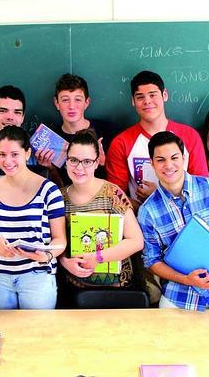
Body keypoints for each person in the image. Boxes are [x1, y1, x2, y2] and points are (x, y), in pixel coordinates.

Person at [137, 131, 209, 377]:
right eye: (160, 160)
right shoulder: (148, 212)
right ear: (152, 164)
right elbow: (152, 261)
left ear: (185, 157)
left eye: (174, 157)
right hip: (178, 295)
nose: (168, 165)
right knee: (172, 365)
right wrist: (186, 279)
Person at [0, 125, 66, 309]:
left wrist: (46, 255)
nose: (8, 161)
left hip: (37, 275)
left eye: (14, 154)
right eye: (2, 154)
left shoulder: (49, 190)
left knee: (36, 333)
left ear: (27, 153)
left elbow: (60, 240)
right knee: (3, 332)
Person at [58, 129, 144, 307]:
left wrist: (97, 257)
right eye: (73, 160)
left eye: (87, 162)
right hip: (74, 291)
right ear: (66, 161)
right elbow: (54, 242)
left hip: (118, 289)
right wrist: (65, 262)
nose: (79, 168)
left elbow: (136, 241)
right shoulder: (58, 198)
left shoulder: (113, 194)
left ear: (97, 163)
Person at [106, 70, 208, 211]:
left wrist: (157, 196)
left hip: (187, 220)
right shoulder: (121, 143)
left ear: (164, 95)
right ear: (133, 101)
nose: (147, 101)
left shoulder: (189, 136)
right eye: (140, 97)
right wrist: (148, 207)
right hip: (141, 224)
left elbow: (203, 190)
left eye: (153, 95)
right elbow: (116, 196)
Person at [36, 73, 117, 187]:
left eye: (78, 100)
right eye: (65, 100)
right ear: (56, 103)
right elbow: (61, 189)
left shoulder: (106, 131)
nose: (71, 106)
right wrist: (50, 168)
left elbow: (116, 184)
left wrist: (103, 163)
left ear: (87, 103)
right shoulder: (50, 139)